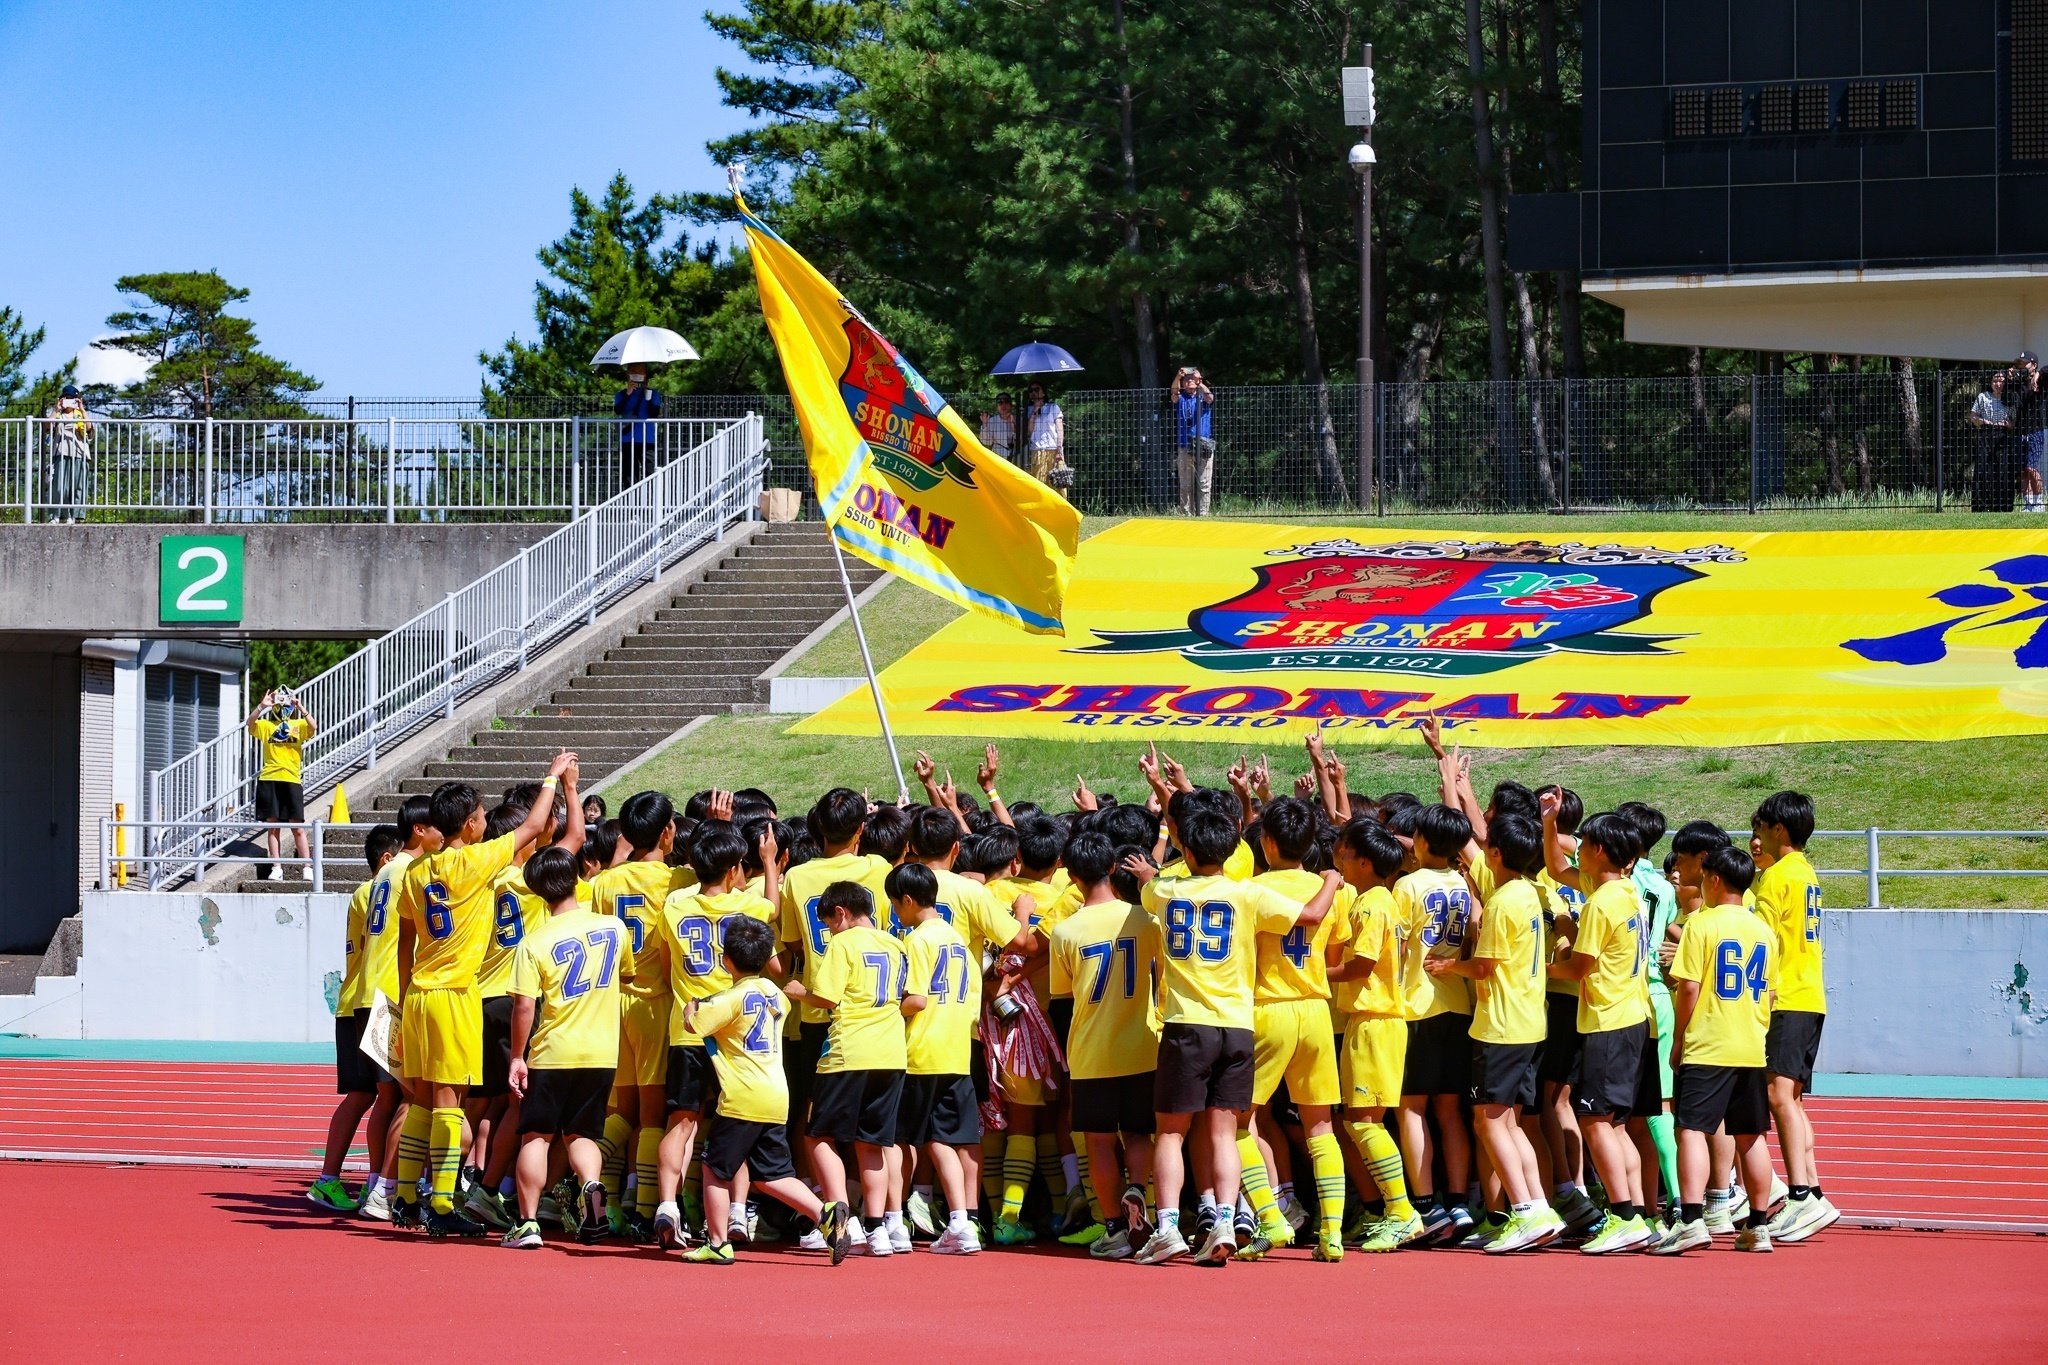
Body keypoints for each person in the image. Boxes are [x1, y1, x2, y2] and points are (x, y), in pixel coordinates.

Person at [1126, 809, 1345, 1266]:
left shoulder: (1165, 890)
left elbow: (1150, 883)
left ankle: (1167, 1225)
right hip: (1239, 1025)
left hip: (1188, 1024)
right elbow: (1310, 915)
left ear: (1186, 852)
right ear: (1231, 850)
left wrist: (1152, 867)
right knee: (1226, 1131)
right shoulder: (1248, 893)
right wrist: (1330, 879)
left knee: (1170, 1132)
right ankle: (1226, 1218)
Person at [389, 754, 575, 1235]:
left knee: (427, 1101)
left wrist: (406, 992)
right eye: (480, 814)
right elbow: (536, 824)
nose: (483, 820)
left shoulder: (414, 872)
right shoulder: (475, 860)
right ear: (470, 824)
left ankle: (407, 1196)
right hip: (453, 994)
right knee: (450, 1104)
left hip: (419, 995)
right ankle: (444, 1206)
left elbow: (406, 940)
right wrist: (551, 775)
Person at [1427, 814, 1564, 1252]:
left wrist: (1448, 965)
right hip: (1528, 1021)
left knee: (1488, 1121)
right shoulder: (1529, 892)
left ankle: (1524, 1210)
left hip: (1502, 1025)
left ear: (1496, 854)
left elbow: (1484, 966)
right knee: (1508, 1122)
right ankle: (1537, 1207)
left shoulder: (1505, 900)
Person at [683, 915, 853, 1265]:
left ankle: (717, 1243)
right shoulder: (776, 994)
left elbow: (695, 1021)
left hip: (741, 1096)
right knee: (772, 1175)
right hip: (776, 1095)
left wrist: (691, 1005)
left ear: (726, 958)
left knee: (715, 1167)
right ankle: (825, 1214)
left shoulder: (731, 997)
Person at [651, 815, 779, 1251]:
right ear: (733, 870)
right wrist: (770, 863)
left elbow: (668, 959)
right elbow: (772, 909)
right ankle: (738, 1211)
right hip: (733, 1036)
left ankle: (667, 1204)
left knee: (681, 1123)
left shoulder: (674, 906)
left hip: (687, 1027)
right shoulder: (749, 906)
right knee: (733, 1125)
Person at [1240, 797, 1355, 1261]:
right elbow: (1333, 960)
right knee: (1321, 1127)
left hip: (1267, 1010)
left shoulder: (1251, 890)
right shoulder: (1336, 890)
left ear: (1266, 842)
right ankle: (1331, 1233)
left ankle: (1271, 1220)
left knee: (1236, 1124)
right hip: (1315, 1011)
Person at [502, 845, 632, 1249]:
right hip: (602, 1052)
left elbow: (524, 1006)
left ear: (537, 891)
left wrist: (518, 1056)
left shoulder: (534, 942)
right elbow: (625, 977)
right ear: (577, 875)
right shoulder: (614, 927)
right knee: (581, 1134)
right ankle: (591, 1184)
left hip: (554, 1050)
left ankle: (527, 1222)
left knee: (536, 1137)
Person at [1545, 807, 1659, 1255]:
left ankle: (1624, 1215)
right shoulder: (1626, 889)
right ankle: (1634, 1214)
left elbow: (1579, 967)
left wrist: (1541, 963)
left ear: (1597, 851)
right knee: (1613, 1125)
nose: (1578, 852)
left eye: (1584, 844)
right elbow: (1557, 866)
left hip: (1608, 1020)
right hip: (1631, 1016)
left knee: (1594, 1122)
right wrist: (1548, 822)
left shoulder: (1601, 902)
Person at [1656, 844, 1780, 1255]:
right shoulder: (1763, 928)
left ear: (1713, 880)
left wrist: (1679, 1040)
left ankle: (1691, 1219)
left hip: (1709, 1043)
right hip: (1750, 1045)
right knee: (1751, 1136)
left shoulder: (1702, 925)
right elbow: (1772, 993)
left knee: (1691, 1128)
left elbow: (1689, 986)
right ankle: (1759, 1224)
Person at [1048, 832, 1162, 1262]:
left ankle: (1114, 1225)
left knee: (1097, 1141)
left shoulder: (1064, 930)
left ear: (1071, 874)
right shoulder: (1143, 919)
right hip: (1142, 1045)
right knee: (1138, 1131)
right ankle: (1140, 1190)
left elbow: (1063, 1001)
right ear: (1113, 868)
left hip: (1092, 1050)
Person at [787, 880, 909, 1257]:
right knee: (873, 1144)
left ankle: (839, 1213)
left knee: (816, 1135)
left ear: (841, 914)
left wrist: (798, 992)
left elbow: (826, 996)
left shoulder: (842, 943)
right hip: (891, 1052)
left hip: (849, 1051)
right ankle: (877, 1229)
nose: (828, 930)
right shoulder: (895, 943)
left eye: (828, 923)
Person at [587, 791, 682, 1238]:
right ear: (669, 832)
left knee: (621, 1110)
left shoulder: (604, 882)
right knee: (651, 1115)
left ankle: (600, 1196)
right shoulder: (677, 879)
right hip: (653, 1001)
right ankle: (645, 1209)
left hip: (613, 1002)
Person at [1328, 818, 1422, 1251]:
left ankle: (1402, 1212)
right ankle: (1396, 1210)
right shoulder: (1383, 899)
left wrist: (1312, 973)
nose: (1338, 859)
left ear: (1364, 863)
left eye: (1345, 853)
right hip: (1380, 1021)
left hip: (1374, 1021)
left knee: (1362, 1123)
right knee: (1366, 1122)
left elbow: (1360, 966)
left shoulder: (1370, 904)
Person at [1751, 790, 1839, 1243]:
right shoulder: (1807, 873)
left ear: (1778, 830)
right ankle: (1814, 1191)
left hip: (1785, 997)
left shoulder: (1776, 877)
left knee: (1778, 1095)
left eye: (1761, 830)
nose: (1757, 840)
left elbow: (1760, 938)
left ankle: (1802, 1194)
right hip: (1810, 995)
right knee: (1793, 1098)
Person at [1392, 804, 1479, 1245]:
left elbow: (1398, 945)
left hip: (1418, 1005)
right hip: (1457, 1004)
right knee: (1449, 1111)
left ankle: (1426, 1205)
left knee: (1411, 1108)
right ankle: (1459, 1200)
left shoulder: (1407, 885)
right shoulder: (1462, 883)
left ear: (1422, 840)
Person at [308, 824, 405, 1212]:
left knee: (364, 1095)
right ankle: (376, 1184)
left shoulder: (363, 893)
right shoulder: (385, 887)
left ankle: (332, 1178)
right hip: (374, 1000)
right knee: (390, 1096)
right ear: (387, 859)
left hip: (355, 1000)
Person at [353, 795, 440, 1222]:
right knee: (414, 1097)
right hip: (394, 993)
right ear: (420, 830)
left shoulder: (387, 869)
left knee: (388, 1098)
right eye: (439, 827)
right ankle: (386, 1190)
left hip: (372, 991)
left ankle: (376, 1183)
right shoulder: (413, 871)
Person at [890, 862, 985, 1255]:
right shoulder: (957, 939)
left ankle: (892, 1220)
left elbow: (915, 999)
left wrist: (883, 1008)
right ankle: (962, 1221)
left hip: (922, 1051)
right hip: (956, 1051)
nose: (895, 912)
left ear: (909, 901)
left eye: (896, 904)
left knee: (901, 1140)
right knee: (943, 1140)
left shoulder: (917, 941)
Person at [246, 690, 317, 881]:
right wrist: (262, 706)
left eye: (284, 700)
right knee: (273, 826)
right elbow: (250, 724)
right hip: (270, 778)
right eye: (279, 700)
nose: (282, 704)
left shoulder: (298, 725)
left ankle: (307, 867)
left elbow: (313, 726)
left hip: (291, 779)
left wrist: (301, 707)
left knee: (298, 827)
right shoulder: (267, 725)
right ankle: (276, 867)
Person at [1968, 369, 2019, 513]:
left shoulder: (2010, 398)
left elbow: (2013, 422)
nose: (1998, 384)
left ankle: (2003, 506)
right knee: (1983, 470)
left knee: (2003, 470)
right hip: (1985, 434)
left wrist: (2007, 424)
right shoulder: (1983, 397)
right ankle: (1981, 506)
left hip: (2002, 435)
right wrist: (1982, 421)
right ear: (1990, 383)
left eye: (2001, 381)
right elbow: (1973, 417)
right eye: (1995, 381)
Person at [42, 383, 93, 522]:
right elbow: (47, 427)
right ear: (61, 399)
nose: (69, 401)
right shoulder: (58, 415)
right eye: (67, 398)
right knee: (58, 487)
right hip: (60, 452)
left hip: (79, 453)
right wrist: (56, 409)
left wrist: (82, 410)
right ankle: (56, 515)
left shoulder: (80, 414)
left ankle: (74, 515)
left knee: (77, 486)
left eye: (73, 398)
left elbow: (89, 429)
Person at [1171, 366, 1216, 516]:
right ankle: (1186, 513)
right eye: (1187, 379)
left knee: (1204, 483)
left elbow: (1210, 398)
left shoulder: (1203, 396)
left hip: (1203, 444)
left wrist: (1200, 382)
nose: (1189, 381)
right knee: (1185, 484)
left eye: (1192, 379)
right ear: (1183, 383)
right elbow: (1173, 394)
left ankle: (1203, 513)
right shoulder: (1181, 398)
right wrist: (1178, 376)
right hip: (1185, 444)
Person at [614, 362, 664, 492]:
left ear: (645, 375)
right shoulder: (621, 394)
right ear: (628, 374)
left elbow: (655, 412)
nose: (637, 375)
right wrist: (628, 394)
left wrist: (647, 397)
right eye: (633, 372)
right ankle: (631, 504)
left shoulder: (653, 393)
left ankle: (650, 503)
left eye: (640, 372)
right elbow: (618, 410)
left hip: (647, 438)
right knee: (629, 474)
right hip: (627, 438)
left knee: (650, 471)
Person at [2013, 352, 2045, 513]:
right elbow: (2006, 399)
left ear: (2033, 365)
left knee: (2032, 468)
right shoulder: (2017, 384)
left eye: (2025, 363)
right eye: (2020, 364)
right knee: (2023, 470)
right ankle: (2028, 503)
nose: (2022, 366)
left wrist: (2038, 374)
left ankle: (2039, 502)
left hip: (2035, 431)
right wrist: (2009, 376)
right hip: (2020, 432)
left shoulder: (2040, 380)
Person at [1024, 382, 1066, 486]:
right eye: (1031, 390)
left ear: (1043, 393)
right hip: (1038, 450)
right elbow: (1029, 430)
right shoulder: (1028, 410)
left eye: (1036, 389)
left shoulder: (1053, 407)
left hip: (1054, 449)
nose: (1033, 392)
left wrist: (1059, 449)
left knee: (1058, 484)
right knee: (1040, 484)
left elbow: (1059, 429)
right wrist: (1035, 410)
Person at [978, 395, 1018, 462]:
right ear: (997, 406)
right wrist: (984, 424)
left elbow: (1020, 440)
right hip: (997, 457)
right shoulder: (993, 420)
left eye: (1006, 402)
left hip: (1015, 457)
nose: (1003, 405)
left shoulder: (1017, 419)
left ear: (1011, 405)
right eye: (1000, 402)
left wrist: (1012, 425)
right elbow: (986, 441)